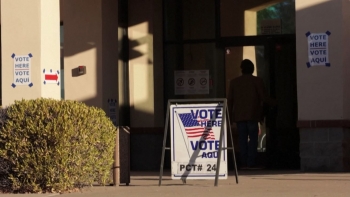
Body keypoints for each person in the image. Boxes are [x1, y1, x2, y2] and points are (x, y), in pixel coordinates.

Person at [227, 59, 271, 169]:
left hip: (239, 116)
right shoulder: (257, 81)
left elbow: (230, 100)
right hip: (253, 115)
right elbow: (263, 98)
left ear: (241, 69)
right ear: (252, 69)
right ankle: (251, 161)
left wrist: (230, 116)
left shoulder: (234, 82)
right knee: (253, 139)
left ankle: (243, 162)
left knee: (242, 140)